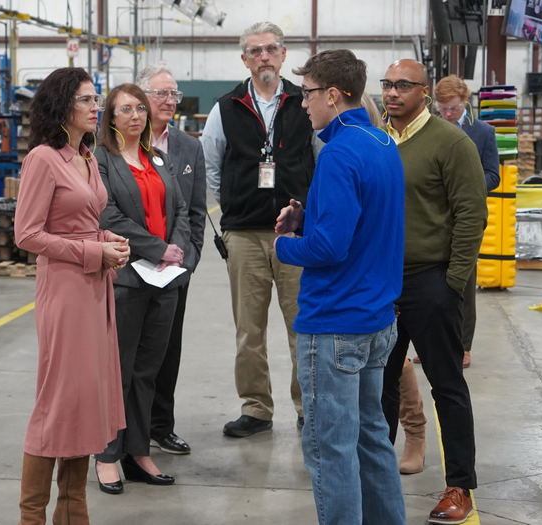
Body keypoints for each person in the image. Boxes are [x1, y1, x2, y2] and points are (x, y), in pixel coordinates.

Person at [274, 49, 406, 525]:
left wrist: (286, 245)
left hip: (334, 324)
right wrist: (309, 220)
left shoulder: (337, 155)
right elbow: (366, 224)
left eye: (307, 93)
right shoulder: (381, 143)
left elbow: (329, 250)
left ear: (332, 94)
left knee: (330, 449)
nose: (302, 103)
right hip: (376, 320)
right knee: (371, 436)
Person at [13, 67, 130, 525]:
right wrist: (90, 251)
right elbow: (27, 234)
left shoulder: (85, 156)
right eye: (86, 99)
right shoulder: (43, 159)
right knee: (58, 401)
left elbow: (80, 219)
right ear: (63, 106)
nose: (95, 106)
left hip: (95, 287)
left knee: (85, 400)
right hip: (64, 290)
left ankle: (71, 513)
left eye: (95, 98)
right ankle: (32, 516)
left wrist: (107, 241)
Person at [380, 59, 488, 525]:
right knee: (379, 385)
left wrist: (452, 282)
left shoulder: (451, 142)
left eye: (403, 85)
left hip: (431, 281)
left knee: (447, 386)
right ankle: (376, 478)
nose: (392, 92)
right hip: (381, 283)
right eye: (387, 84)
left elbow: (471, 215)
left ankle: (459, 486)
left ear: (424, 91)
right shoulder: (375, 140)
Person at [200, 21, 317, 437]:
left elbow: (321, 162)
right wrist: (233, 208)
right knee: (249, 329)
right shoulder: (225, 107)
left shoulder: (305, 103)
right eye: (255, 50)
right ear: (244, 59)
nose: (263, 56)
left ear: (284, 55)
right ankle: (256, 408)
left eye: (271, 49)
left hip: (297, 236)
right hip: (245, 234)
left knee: (302, 325)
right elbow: (211, 167)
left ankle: (309, 408)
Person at [93, 83, 191, 495]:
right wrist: (155, 248)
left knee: (148, 371)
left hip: (164, 281)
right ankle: (107, 454)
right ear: (111, 118)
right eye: (125, 109)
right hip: (128, 278)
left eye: (139, 109)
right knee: (118, 371)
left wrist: (179, 250)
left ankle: (138, 451)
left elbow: (181, 208)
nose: (135, 115)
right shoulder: (101, 161)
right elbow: (107, 213)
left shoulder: (158, 158)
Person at [135, 64, 207, 455]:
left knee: (167, 350)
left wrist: (186, 263)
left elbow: (196, 214)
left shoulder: (188, 147)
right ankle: (129, 431)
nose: (169, 101)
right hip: (131, 267)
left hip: (174, 272)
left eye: (173, 95)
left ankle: (161, 426)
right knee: (131, 354)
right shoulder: (114, 145)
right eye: (161, 93)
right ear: (140, 97)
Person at [360, 93, 430, 478]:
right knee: (378, 363)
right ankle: (376, 447)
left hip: (399, 265)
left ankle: (415, 434)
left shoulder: (387, 147)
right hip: (363, 267)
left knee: (394, 358)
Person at [434, 74, 501, 369]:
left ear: (465, 103)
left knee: (463, 285)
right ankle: (431, 343)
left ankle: (462, 346)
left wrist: (465, 186)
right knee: (430, 285)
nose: (448, 115)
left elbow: (493, 175)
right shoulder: (428, 130)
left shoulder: (483, 133)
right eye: (443, 109)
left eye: (454, 109)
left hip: (464, 218)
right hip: (432, 217)